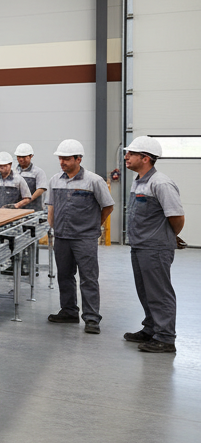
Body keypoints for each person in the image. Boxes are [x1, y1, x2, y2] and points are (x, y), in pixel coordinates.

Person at [121, 136, 186, 354]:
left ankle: (166, 338)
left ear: (145, 158)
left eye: (131, 153)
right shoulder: (138, 181)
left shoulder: (161, 183)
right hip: (140, 246)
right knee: (145, 291)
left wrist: (164, 236)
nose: (126, 156)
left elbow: (177, 218)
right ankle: (151, 329)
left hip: (155, 248)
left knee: (159, 293)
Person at [46, 139, 114, 334]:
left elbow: (108, 206)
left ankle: (92, 318)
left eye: (66, 159)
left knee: (88, 278)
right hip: (62, 237)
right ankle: (68, 311)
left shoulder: (94, 181)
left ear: (78, 159)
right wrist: (53, 226)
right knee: (65, 276)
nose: (62, 162)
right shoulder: (55, 180)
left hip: (85, 238)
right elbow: (51, 206)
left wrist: (93, 226)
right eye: (60, 158)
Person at [14, 143, 49, 211]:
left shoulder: (38, 172)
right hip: (16, 210)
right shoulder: (13, 172)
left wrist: (28, 200)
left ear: (31, 156)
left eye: (24, 157)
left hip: (33, 210)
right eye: (19, 156)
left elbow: (41, 189)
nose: (21, 159)